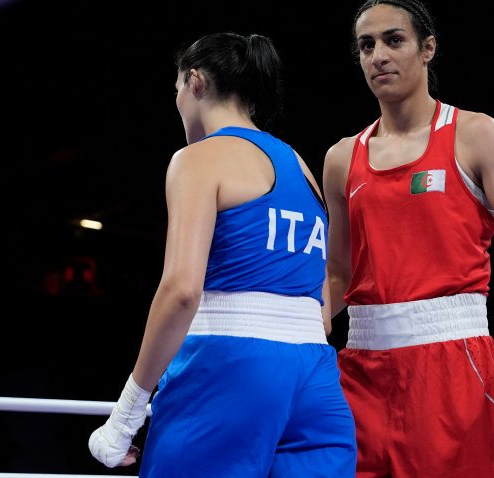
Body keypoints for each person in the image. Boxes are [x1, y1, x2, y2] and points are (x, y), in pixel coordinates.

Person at [88, 31, 357, 477]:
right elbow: (323, 311)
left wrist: (127, 412)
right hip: (315, 378)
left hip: (231, 369)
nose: (177, 100)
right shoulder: (299, 165)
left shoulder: (198, 159)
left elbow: (180, 290)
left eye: (176, 88)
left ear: (195, 82)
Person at [322, 1, 494, 476]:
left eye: (394, 40)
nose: (378, 57)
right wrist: (293, 335)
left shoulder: (476, 136)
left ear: (427, 48)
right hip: (361, 371)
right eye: (366, 46)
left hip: (453, 365)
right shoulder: (341, 158)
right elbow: (338, 272)